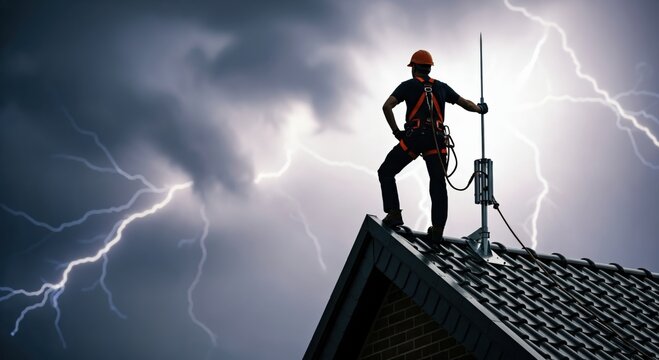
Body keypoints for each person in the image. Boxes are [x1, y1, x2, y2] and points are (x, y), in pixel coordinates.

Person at [378, 49, 488, 244]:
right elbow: (466, 104)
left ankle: (394, 213)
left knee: (386, 171)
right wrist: (481, 109)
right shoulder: (441, 88)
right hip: (437, 142)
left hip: (414, 139)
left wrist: (397, 132)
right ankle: (437, 230)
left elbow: (387, 106)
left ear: (413, 68)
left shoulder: (408, 86)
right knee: (438, 183)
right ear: (429, 69)